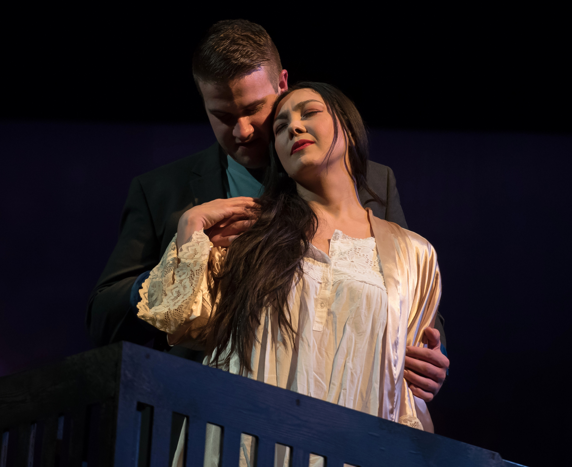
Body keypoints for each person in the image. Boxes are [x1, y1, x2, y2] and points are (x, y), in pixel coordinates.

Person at [86, 19, 448, 404]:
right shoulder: (163, 192)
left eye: (255, 109)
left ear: (282, 84)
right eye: (223, 116)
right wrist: (183, 257)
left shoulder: (373, 181)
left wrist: (431, 358)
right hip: (204, 414)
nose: (242, 131)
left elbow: (408, 289)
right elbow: (103, 318)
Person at [136, 82, 441, 467]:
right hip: (247, 442)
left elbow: (407, 384)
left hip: (353, 446)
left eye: (309, 113)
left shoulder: (414, 253)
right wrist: (190, 227)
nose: (294, 127)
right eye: (280, 126)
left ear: (347, 127)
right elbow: (184, 324)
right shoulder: (249, 231)